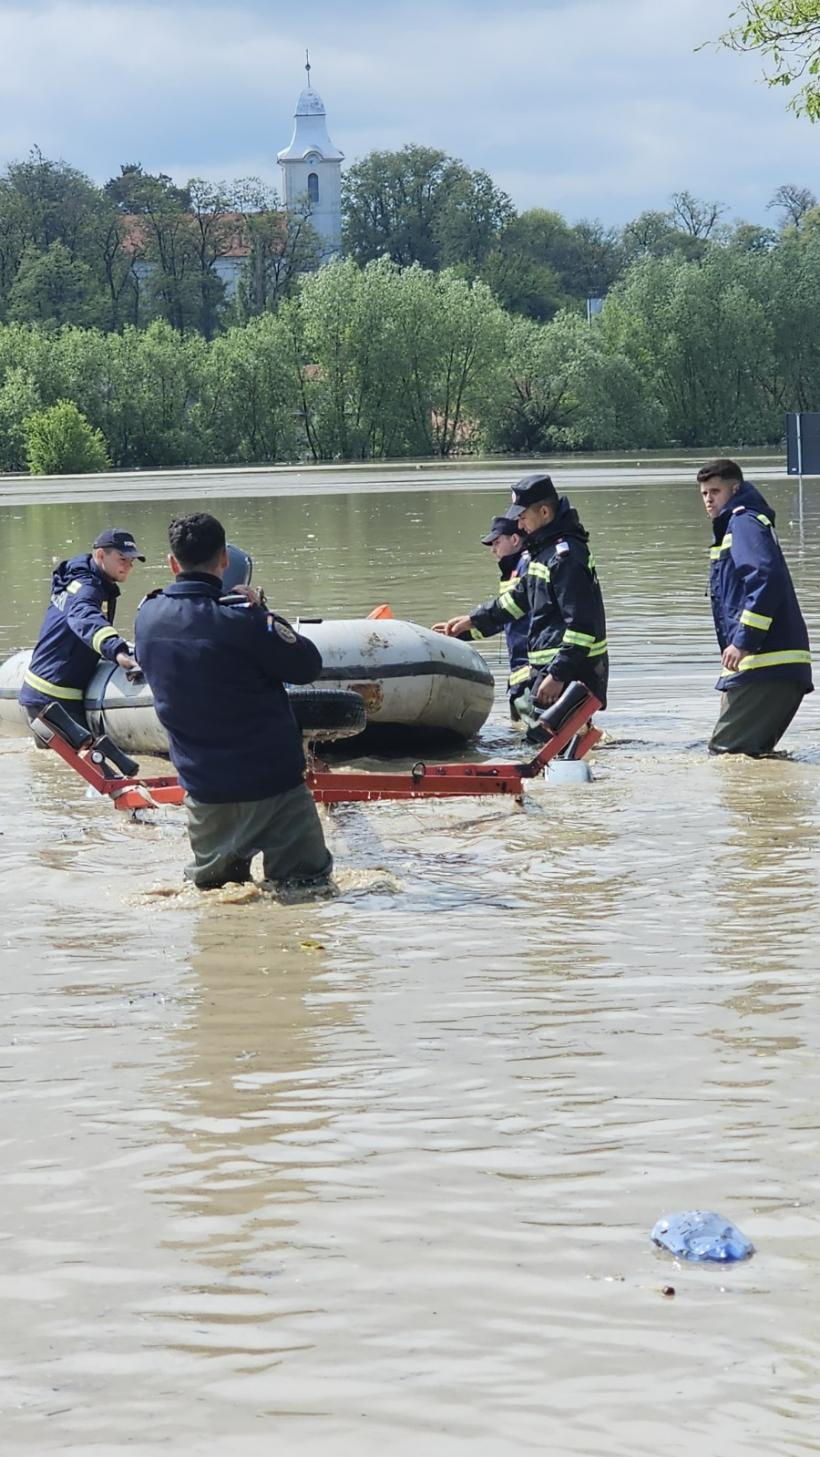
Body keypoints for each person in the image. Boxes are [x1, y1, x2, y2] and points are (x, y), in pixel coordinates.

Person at [134, 512, 333, 895]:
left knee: (216, 893)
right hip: (275, 787)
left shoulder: (148, 618)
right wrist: (262, 612)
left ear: (173, 563)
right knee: (307, 891)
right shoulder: (245, 621)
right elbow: (308, 665)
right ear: (224, 559)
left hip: (206, 790)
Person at [434, 473, 608, 727]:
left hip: (572, 673)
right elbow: (517, 601)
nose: (519, 523)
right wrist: (472, 621)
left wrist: (557, 675)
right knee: (549, 739)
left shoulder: (566, 557)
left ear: (544, 513)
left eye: (523, 516)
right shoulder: (544, 552)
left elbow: (582, 627)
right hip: (555, 669)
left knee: (552, 741)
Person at [698, 458, 812, 755]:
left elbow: (765, 580)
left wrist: (743, 642)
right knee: (744, 756)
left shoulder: (743, 522)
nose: (709, 499)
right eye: (704, 493)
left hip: (765, 664)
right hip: (763, 667)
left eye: (715, 491)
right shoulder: (739, 523)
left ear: (735, 489)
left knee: (727, 755)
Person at [19, 527, 142, 730]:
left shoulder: (82, 581)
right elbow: (83, 616)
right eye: (122, 559)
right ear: (101, 555)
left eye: (132, 560)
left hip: (48, 693)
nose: (129, 566)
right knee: (93, 751)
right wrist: (117, 650)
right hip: (53, 698)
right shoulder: (87, 587)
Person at [473, 515, 531, 719]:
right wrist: (462, 632)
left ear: (514, 539)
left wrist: (471, 621)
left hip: (530, 670)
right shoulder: (513, 570)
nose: (493, 550)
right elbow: (504, 619)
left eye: (497, 542)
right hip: (521, 672)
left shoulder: (526, 566)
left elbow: (512, 610)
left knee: (536, 730)